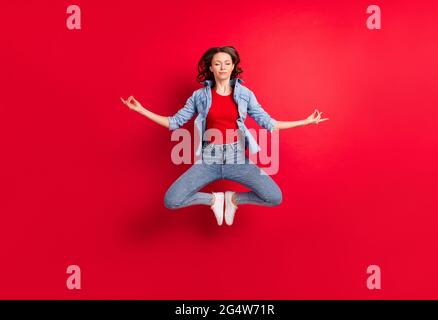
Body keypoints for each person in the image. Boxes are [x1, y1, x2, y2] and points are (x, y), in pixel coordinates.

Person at [121, 46, 328, 226]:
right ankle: (215, 201)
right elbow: (174, 122)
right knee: (172, 199)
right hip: (209, 159)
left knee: (274, 196)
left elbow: (269, 123)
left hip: (237, 158)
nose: (222, 67)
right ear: (210, 67)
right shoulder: (199, 96)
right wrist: (142, 110)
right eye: (217, 63)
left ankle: (233, 200)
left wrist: (305, 121)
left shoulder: (245, 94)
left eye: (227, 63)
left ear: (233, 66)